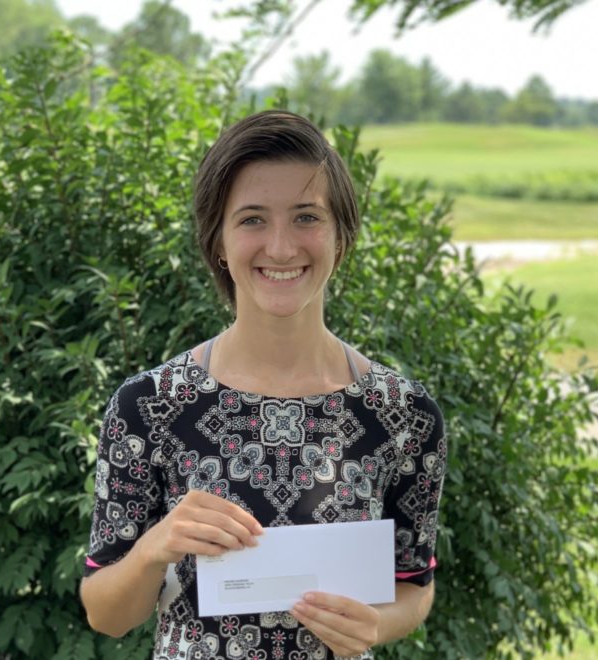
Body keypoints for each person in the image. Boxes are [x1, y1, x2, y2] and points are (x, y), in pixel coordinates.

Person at [79, 110, 447, 659]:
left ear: (341, 237)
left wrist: (377, 624)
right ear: (219, 242)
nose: (280, 247)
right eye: (252, 219)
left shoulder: (403, 414)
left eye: (306, 217)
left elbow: (414, 584)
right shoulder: (149, 406)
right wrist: (156, 546)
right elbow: (105, 614)